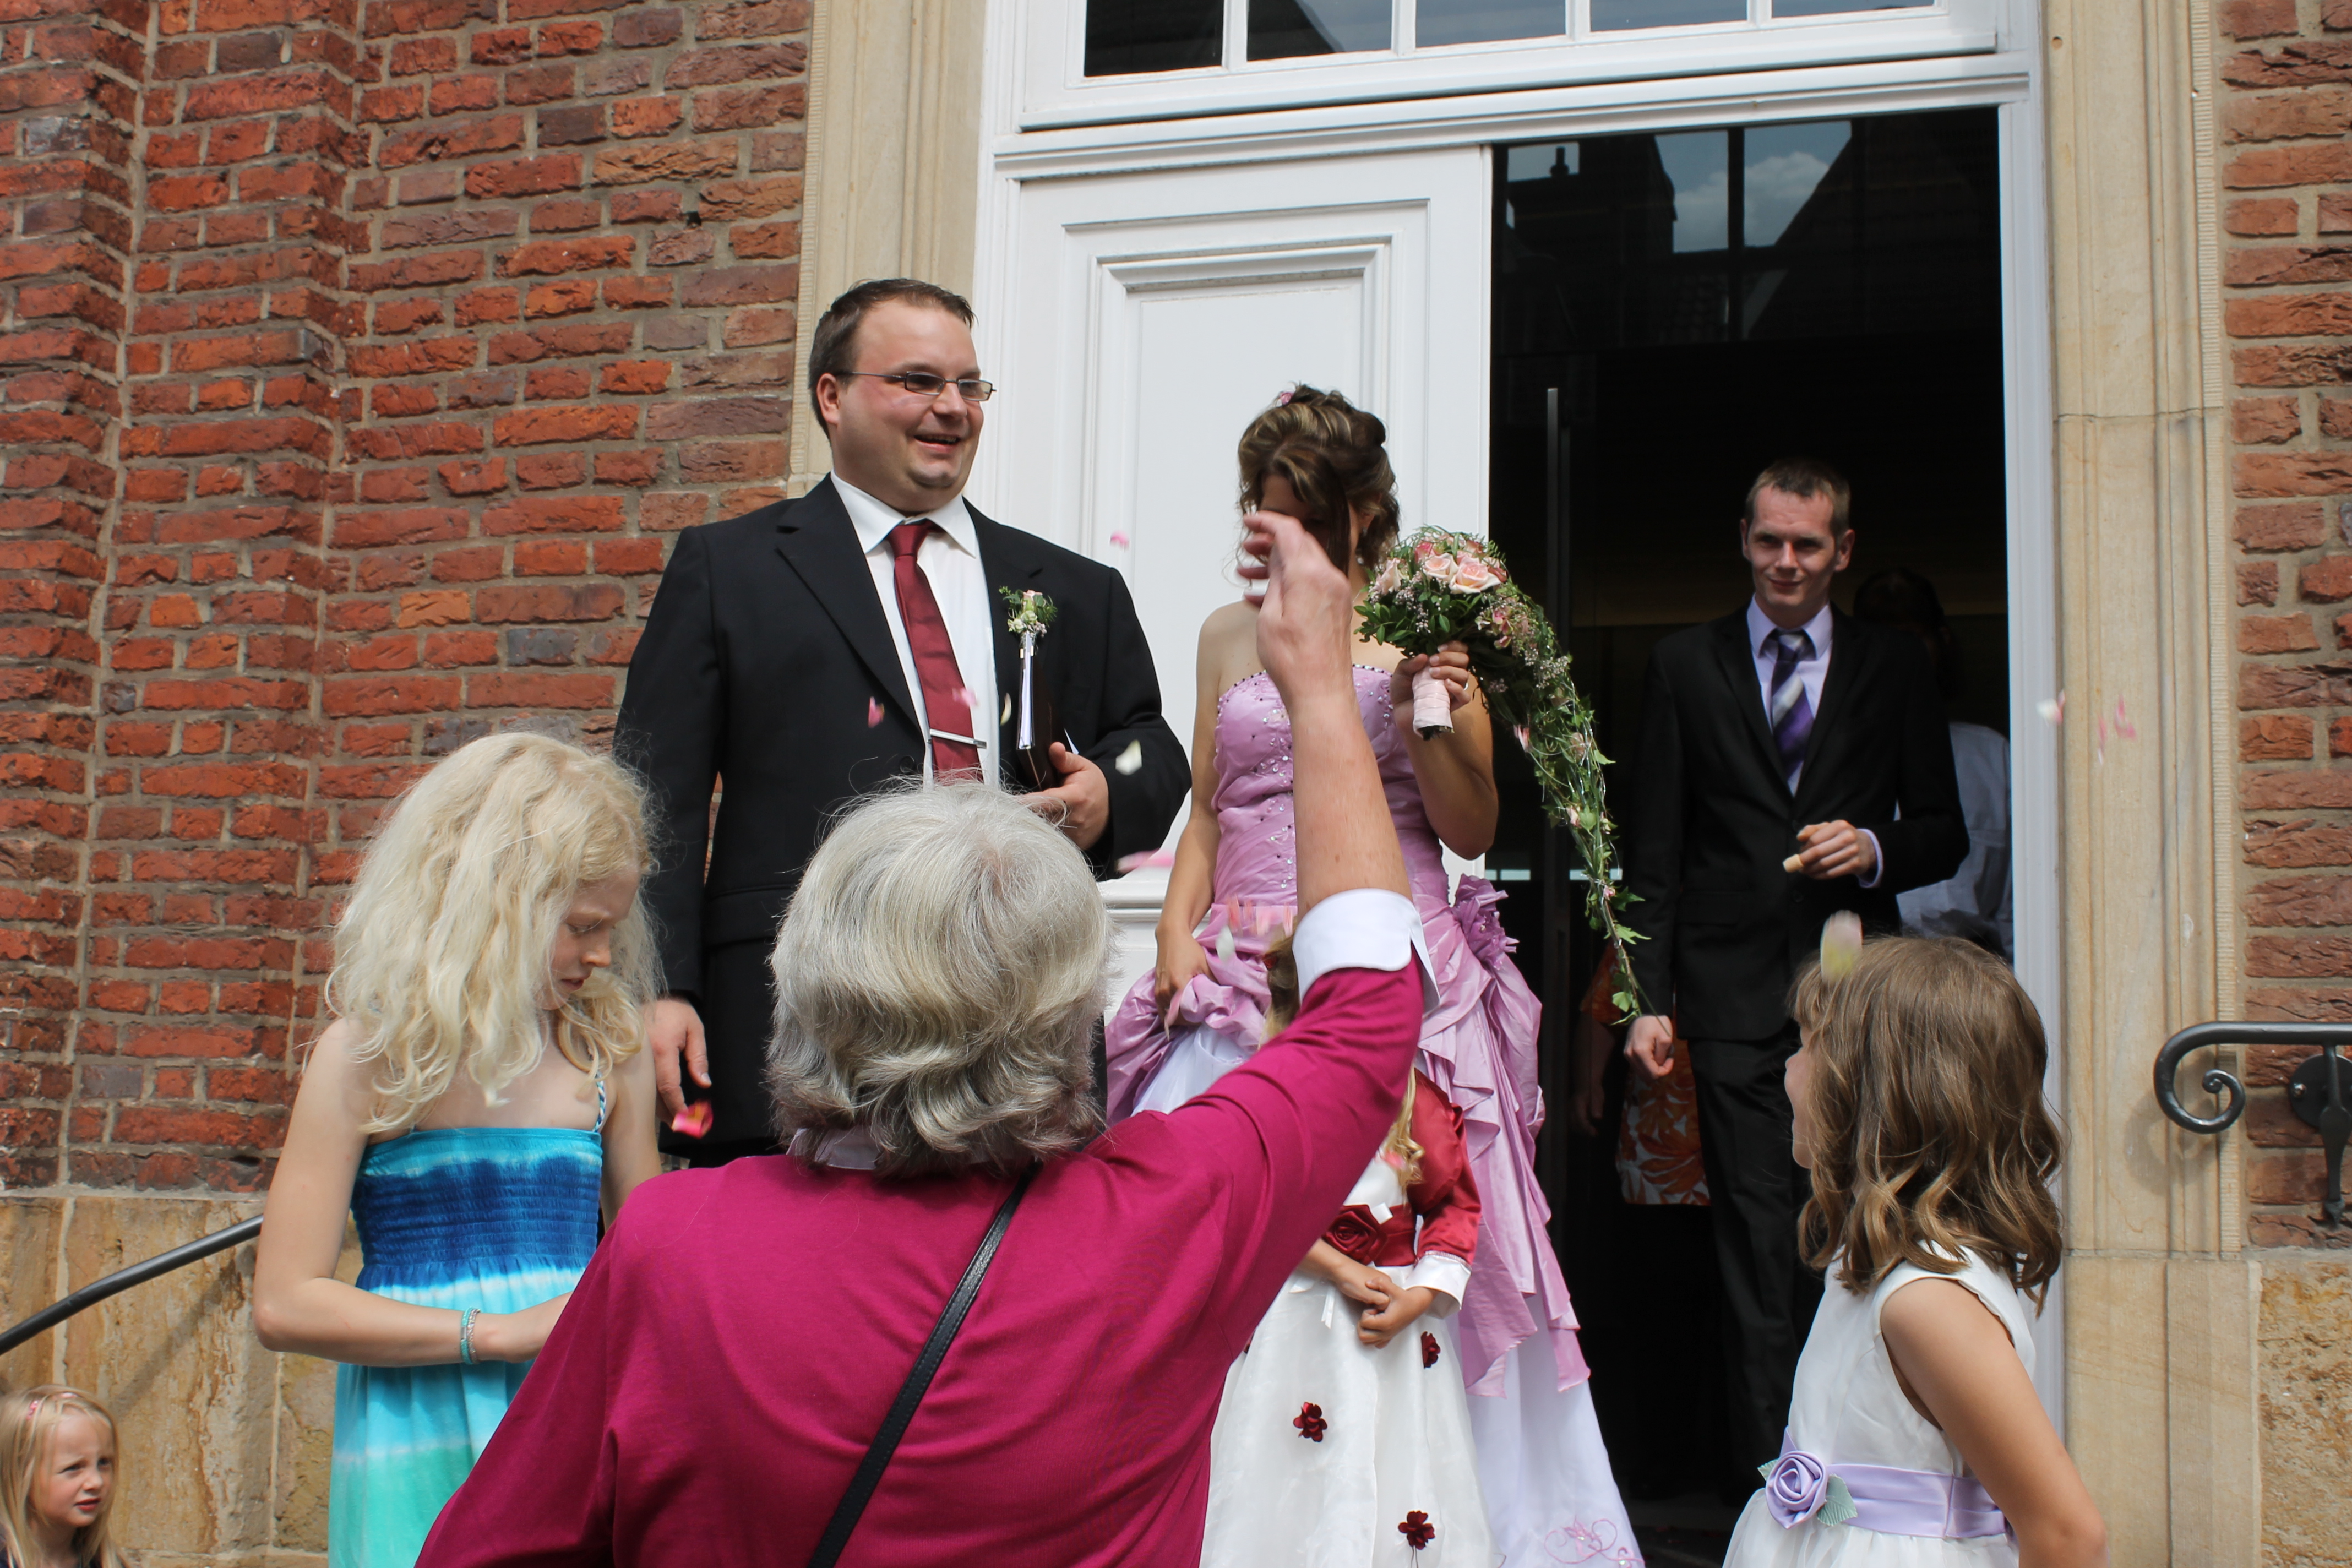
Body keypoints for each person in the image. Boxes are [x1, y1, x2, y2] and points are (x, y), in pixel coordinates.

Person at [410, 506, 1433, 1567]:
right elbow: (1366, 1013)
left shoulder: (668, 1248)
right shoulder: (1172, 1218)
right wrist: (1322, 692)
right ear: (1070, 1010)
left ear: (800, 985)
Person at [1106, 388, 1636, 1562]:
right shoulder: (1225, 633)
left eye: (1301, 515)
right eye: (1264, 512)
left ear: (1360, 517)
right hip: (1238, 975)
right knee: (1207, 1229)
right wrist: (1175, 934)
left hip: (1390, 961)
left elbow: (1471, 826)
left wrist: (1425, 712)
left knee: (1410, 1216)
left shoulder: (1421, 642)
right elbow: (1210, 809)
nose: (1277, 537)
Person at [616, 277, 1189, 1164]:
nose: (952, 408)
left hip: (1016, 1017)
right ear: (831, 396)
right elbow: (656, 799)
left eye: (969, 385)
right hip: (799, 1021)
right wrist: (663, 988)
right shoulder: (729, 570)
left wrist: (1106, 798)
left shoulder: (1072, 587)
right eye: (918, 381)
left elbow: (1152, 747)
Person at [1619, 457, 1967, 1494]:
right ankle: (1772, 1495)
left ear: (1842, 551)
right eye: (1768, 540)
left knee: (1859, 1233)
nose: (1785, 561)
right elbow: (1653, 853)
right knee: (1755, 1251)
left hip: (1855, 1000)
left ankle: (1863, 1477)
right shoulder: (1682, 664)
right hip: (1728, 1000)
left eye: (1806, 544)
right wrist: (1644, 1000)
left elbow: (1943, 829)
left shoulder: (1892, 667)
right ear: (1743, 538)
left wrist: (1872, 846)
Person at [252, 733, 663, 1568]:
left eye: (612, 929)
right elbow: (285, 1303)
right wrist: (501, 1334)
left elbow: (648, 1266)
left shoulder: (608, 1051)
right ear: (498, 904)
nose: (602, 956)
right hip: (414, 1432)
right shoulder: (368, 1058)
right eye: (582, 927)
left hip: (568, 1417)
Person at [1725, 937, 2106, 1567]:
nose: (1788, 1068)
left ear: (1866, 1090)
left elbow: (2068, 1534)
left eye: (1806, 1047)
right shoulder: (1872, 1268)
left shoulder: (1928, 1301)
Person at [1176, 940, 1493, 1567]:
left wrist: (1419, 1297)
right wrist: (1339, 1266)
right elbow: (1251, 1206)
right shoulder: (1263, 1101)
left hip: (1393, 1328)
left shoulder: (1414, 1103)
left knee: (1392, 1455)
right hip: (1286, 1321)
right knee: (1276, 1460)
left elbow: (1452, 1207)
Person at [1853, 567, 2013, 957]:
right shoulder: (1826, 757)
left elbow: (2018, 903)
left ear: (1942, 642)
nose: (1896, 657)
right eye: (1879, 639)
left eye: (1910, 638)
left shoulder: (1992, 755)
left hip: (1967, 972)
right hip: (1860, 973)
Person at [0, 1386, 124, 1568]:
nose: (96, 1482)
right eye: (73, 1467)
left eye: (103, 1463)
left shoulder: (108, 1563)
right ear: (20, 1474)